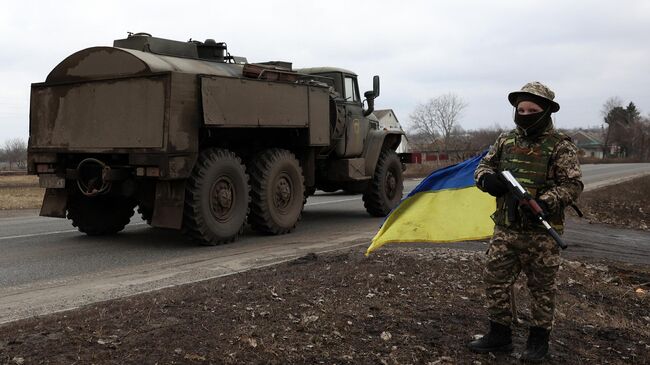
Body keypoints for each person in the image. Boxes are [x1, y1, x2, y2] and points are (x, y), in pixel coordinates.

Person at [468, 82, 583, 362]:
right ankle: (499, 335)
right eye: (521, 109)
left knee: (541, 290)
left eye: (532, 109)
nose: (525, 113)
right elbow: (484, 166)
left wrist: (545, 202)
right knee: (495, 281)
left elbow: (573, 185)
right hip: (506, 228)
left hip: (542, 235)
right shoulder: (505, 141)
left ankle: (538, 342)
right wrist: (487, 180)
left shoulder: (559, 146)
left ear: (546, 113)